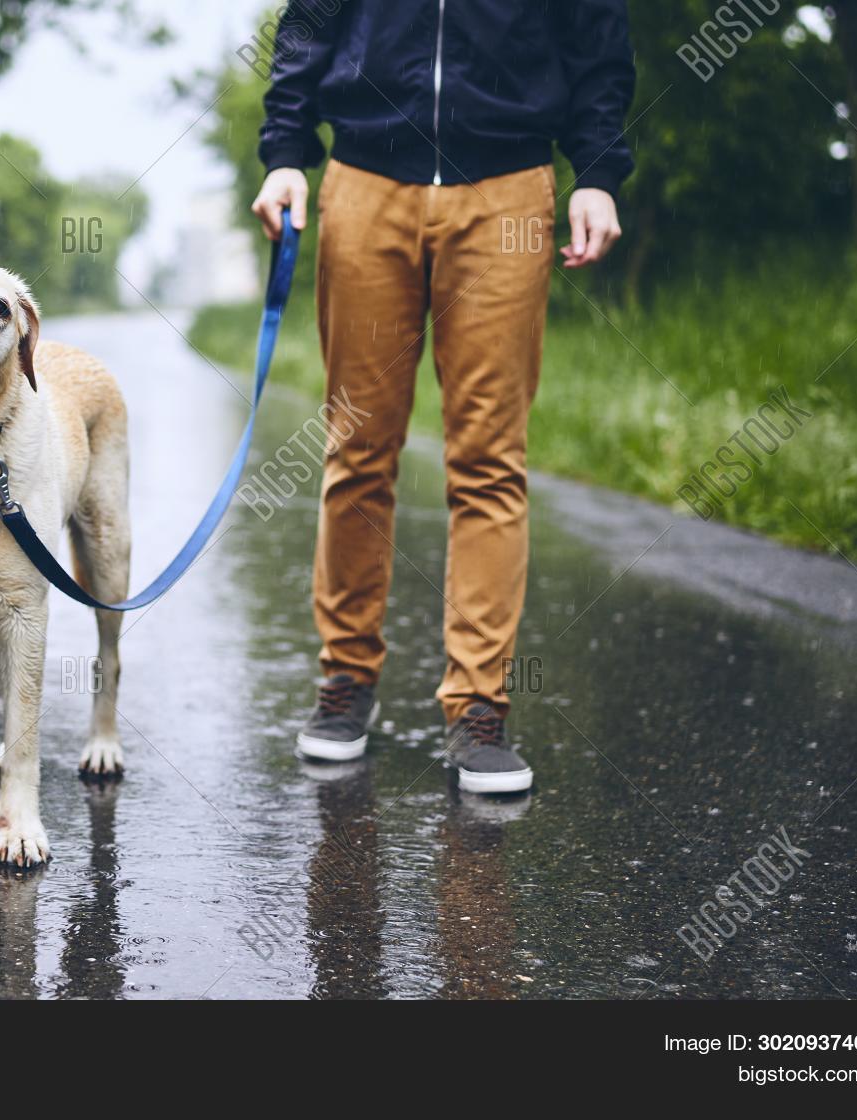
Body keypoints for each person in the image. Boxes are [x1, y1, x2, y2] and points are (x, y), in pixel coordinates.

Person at [252, 0, 635, 791]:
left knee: (490, 459)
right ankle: (345, 684)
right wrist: (286, 149)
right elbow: (306, 25)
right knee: (358, 448)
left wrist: (596, 170)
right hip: (363, 183)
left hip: (508, 191)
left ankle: (479, 709)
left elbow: (597, 35)